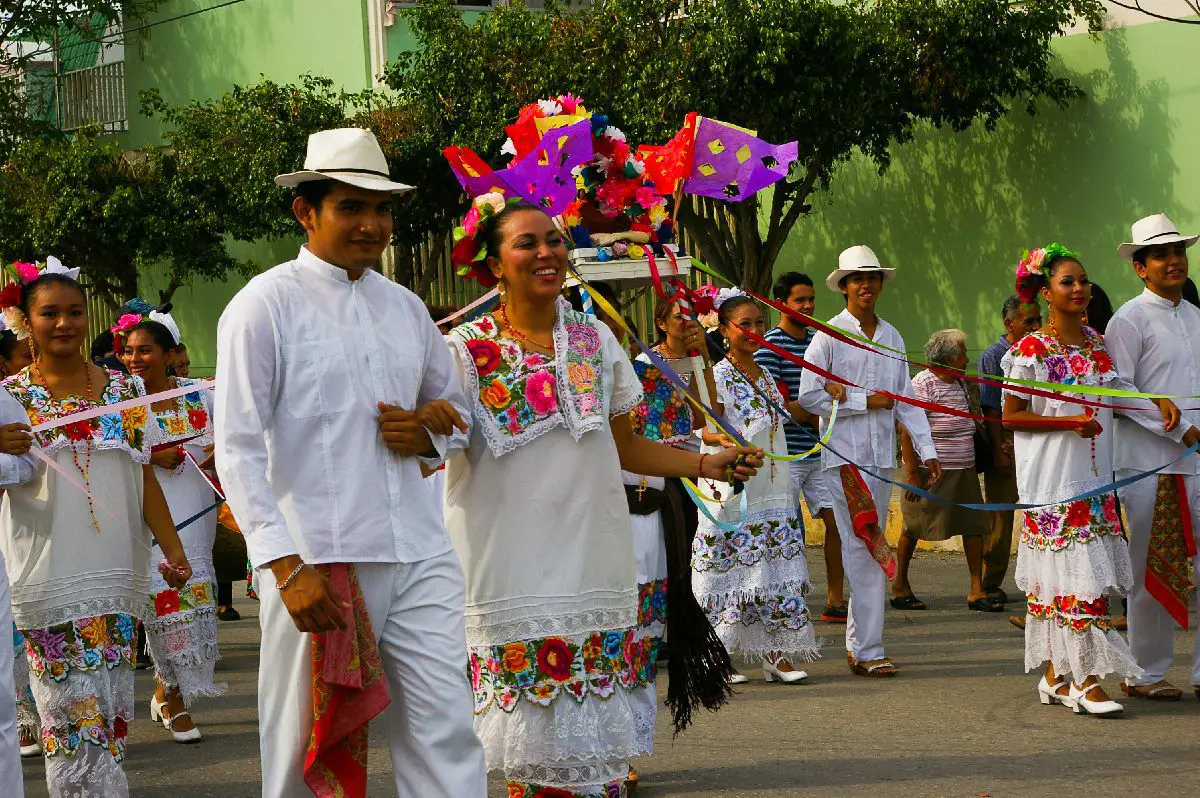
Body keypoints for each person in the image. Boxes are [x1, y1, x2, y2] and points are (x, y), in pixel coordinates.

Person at [444, 196, 760, 797]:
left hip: (593, 559)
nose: (546, 253)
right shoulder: (462, 350)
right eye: (527, 243)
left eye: (556, 240)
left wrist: (705, 461)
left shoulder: (594, 340)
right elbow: (433, 451)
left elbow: (627, 448)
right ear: (493, 266)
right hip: (510, 569)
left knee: (594, 752)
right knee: (532, 754)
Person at [215, 128, 488, 797]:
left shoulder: (406, 306)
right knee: (301, 742)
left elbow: (455, 418)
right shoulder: (264, 305)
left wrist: (424, 435)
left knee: (445, 727)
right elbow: (238, 447)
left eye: (382, 209)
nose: (372, 224)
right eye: (351, 207)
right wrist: (281, 563)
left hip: (419, 549)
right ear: (305, 212)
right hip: (320, 558)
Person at [0, 259, 192, 796]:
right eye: (50, 314)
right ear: (26, 322)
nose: (64, 324)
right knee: (69, 722)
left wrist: (173, 549)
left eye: (75, 312)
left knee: (108, 719)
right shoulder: (10, 398)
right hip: (45, 577)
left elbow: (144, 478)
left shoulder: (125, 391)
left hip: (116, 574)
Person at [1002, 242, 1198, 715]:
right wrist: (1066, 422)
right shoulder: (1032, 348)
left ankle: (1055, 677)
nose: (1080, 289)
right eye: (1067, 282)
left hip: (1095, 481)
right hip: (1053, 482)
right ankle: (1086, 682)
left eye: (1083, 281)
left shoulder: (1094, 342)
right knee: (1078, 584)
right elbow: (1010, 416)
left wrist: (1159, 404)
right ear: (1045, 293)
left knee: (1073, 585)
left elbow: (1119, 396)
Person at [799, 245, 942, 678]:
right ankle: (868, 649)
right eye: (857, 279)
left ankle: (863, 646)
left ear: (880, 284)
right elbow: (810, 396)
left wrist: (927, 448)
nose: (866, 285)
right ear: (844, 287)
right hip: (844, 458)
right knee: (865, 546)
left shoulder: (892, 336)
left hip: (880, 458)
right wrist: (864, 401)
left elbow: (906, 400)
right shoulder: (828, 336)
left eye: (872, 278)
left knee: (868, 545)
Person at [696, 290, 819, 681]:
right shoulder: (717, 377)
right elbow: (706, 429)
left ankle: (776, 655)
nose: (754, 331)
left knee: (771, 568)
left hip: (772, 487)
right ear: (724, 329)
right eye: (744, 324)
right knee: (730, 572)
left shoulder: (764, 374)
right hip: (735, 486)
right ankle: (717, 655)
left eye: (759, 323)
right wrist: (731, 443)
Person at [1107, 213, 1200, 702]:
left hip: (1196, 461)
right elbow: (1117, 390)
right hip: (1149, 465)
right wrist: (1182, 427)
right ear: (1140, 268)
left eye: (1178, 252)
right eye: (1161, 255)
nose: (1173, 261)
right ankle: (1145, 672)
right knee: (1148, 567)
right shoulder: (1128, 319)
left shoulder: (1195, 317)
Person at [120, 317, 223, 741]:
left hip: (198, 513)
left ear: (168, 354)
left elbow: (230, 436)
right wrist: (149, 457)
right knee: (164, 603)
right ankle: (177, 700)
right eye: (129, 351)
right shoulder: (122, 401)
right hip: (151, 516)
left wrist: (221, 454)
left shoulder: (198, 394)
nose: (134, 359)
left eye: (144, 350)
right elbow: (112, 453)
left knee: (195, 598)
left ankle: (165, 692)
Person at [756, 271, 848, 623]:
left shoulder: (819, 342)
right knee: (787, 528)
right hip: (786, 455)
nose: (808, 305)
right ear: (781, 304)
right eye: (800, 300)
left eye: (811, 299)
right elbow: (776, 406)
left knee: (837, 521)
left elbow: (829, 391)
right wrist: (814, 409)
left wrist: (818, 405)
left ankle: (836, 598)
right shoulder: (769, 345)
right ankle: (788, 596)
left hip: (822, 451)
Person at [895, 329, 997, 611]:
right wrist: (912, 470)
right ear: (948, 358)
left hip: (964, 466)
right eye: (963, 352)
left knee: (974, 526)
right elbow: (906, 427)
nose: (967, 357)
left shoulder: (960, 383)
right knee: (914, 525)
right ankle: (900, 584)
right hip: (932, 470)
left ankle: (976, 589)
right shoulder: (923, 384)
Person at [977, 295, 1041, 624]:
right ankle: (989, 584)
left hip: (1039, 446)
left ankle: (1039, 586)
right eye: (1029, 321)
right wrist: (998, 448)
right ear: (1010, 324)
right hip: (1007, 446)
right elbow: (990, 409)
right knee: (1000, 520)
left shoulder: (1042, 351)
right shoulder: (994, 356)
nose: (1036, 327)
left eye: (1038, 319)